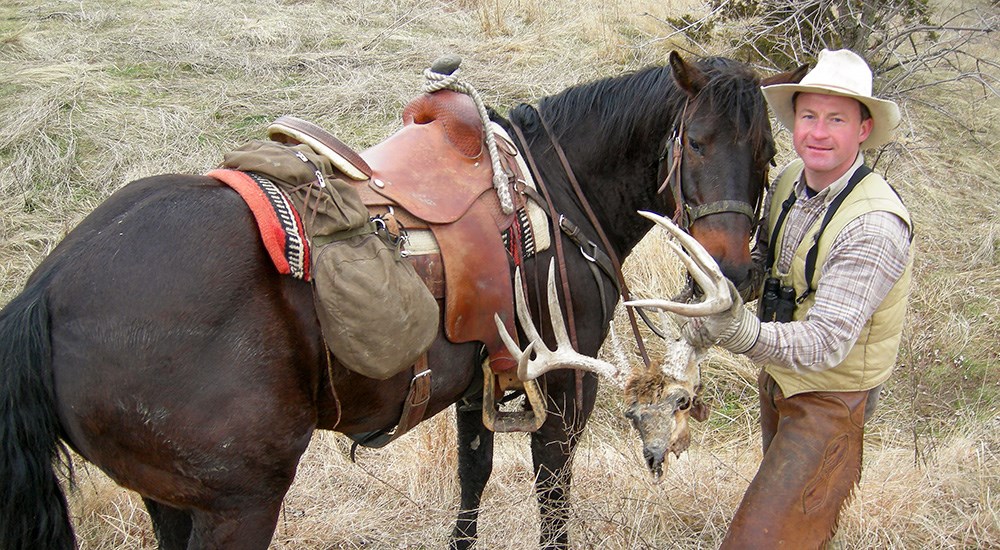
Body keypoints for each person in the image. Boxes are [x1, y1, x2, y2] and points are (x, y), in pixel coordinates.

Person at [682, 49, 914, 548]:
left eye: (836, 119)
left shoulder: (873, 225)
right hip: (779, 384)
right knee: (795, 535)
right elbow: (764, 261)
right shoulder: (789, 181)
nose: (818, 132)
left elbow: (827, 343)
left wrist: (742, 332)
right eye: (808, 116)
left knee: (756, 542)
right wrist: (710, 300)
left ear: (864, 129)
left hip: (830, 402)